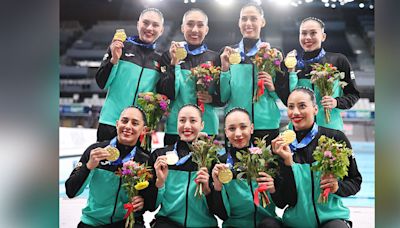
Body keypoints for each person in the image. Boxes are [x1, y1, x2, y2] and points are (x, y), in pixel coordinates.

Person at [268, 87, 362, 228]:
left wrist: (337, 187)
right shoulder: (279, 146)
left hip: (330, 220)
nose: (295, 112)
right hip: (294, 223)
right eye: (291, 107)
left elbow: (355, 181)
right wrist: (287, 164)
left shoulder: (335, 138)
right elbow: (283, 202)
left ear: (315, 109)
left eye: (302, 106)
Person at [65, 106, 151, 228]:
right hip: (93, 223)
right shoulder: (95, 151)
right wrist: (89, 167)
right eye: (124, 121)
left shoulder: (145, 160)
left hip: (128, 224)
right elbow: (70, 191)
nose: (127, 126)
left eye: (135, 123)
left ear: (143, 130)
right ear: (117, 124)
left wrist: (144, 202)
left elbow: (151, 203)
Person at [219, 2, 288, 146]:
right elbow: (224, 96)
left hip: (266, 125)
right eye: (244, 19)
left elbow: (282, 96)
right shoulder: (228, 54)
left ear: (262, 22)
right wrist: (225, 69)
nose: (248, 23)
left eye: (253, 19)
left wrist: (272, 88)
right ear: (239, 22)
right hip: (237, 126)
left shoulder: (273, 54)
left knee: (267, 168)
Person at [95, 8, 164, 142]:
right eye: (146, 23)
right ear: (138, 24)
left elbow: (161, 97)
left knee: (138, 163)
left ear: (161, 31)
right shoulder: (120, 47)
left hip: (141, 128)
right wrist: (114, 59)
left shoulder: (161, 60)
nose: (150, 28)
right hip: (111, 122)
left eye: (155, 25)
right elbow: (101, 83)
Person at [157, 8, 223, 146]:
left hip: (208, 127)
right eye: (190, 24)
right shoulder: (168, 56)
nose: (194, 30)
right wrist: (174, 63)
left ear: (206, 29)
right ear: (182, 28)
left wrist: (212, 98)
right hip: (176, 128)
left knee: (206, 167)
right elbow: (167, 93)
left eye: (200, 25)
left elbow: (225, 96)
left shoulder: (216, 58)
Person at [148, 104, 218, 228]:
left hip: (204, 224)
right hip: (168, 223)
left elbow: (219, 212)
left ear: (202, 125)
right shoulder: (160, 156)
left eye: (193, 121)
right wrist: (160, 183)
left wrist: (208, 189)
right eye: (182, 120)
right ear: (177, 124)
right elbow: (150, 207)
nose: (187, 126)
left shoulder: (211, 158)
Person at [210, 107, 281, 228]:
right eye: (232, 129)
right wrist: (217, 187)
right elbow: (221, 215)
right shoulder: (220, 165)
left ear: (252, 128)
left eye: (243, 127)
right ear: (226, 132)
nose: (238, 134)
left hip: (267, 223)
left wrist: (273, 190)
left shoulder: (267, 158)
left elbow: (283, 202)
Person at [287, 17, 360, 130]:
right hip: (299, 131)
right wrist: (291, 73)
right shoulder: (292, 63)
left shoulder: (339, 61)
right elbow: (286, 98)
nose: (307, 37)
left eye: (313, 33)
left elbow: (353, 94)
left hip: (330, 130)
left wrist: (336, 102)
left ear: (323, 36)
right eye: (303, 33)